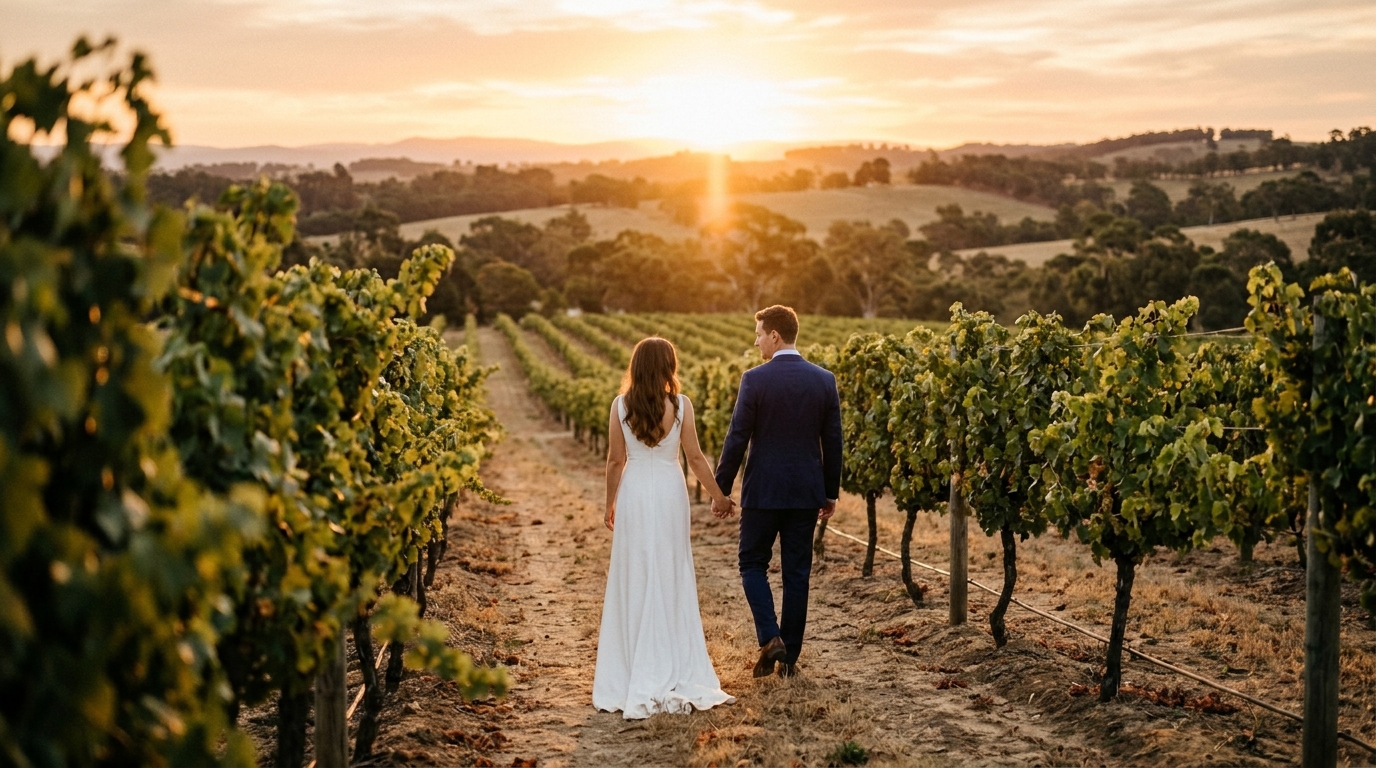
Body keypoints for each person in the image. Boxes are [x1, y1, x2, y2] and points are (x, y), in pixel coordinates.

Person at [592, 337, 737, 719]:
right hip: (671, 493)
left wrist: (610, 502)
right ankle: (673, 659)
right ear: (669, 366)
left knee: (635, 570)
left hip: (636, 491)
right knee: (671, 569)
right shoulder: (681, 405)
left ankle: (632, 662)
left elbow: (614, 461)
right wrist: (719, 496)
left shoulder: (620, 405)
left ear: (636, 366)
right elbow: (695, 457)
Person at [712, 305, 843, 678]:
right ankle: (790, 661)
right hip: (805, 492)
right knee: (796, 573)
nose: (755, 342)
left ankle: (771, 638)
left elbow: (737, 438)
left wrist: (721, 489)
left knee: (752, 563)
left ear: (775, 335)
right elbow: (833, 443)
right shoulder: (824, 380)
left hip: (763, 492)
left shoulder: (754, 380)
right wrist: (829, 492)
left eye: (758, 334)